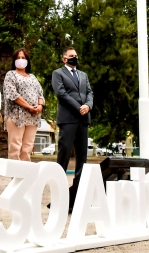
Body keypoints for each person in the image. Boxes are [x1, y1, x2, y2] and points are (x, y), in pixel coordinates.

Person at [52, 46, 93, 205]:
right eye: (71, 55)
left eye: (76, 55)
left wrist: (88, 106)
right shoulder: (58, 73)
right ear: (64, 59)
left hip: (84, 119)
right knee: (65, 153)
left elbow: (90, 93)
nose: (74, 57)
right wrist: (78, 107)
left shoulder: (83, 75)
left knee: (82, 155)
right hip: (68, 118)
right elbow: (61, 93)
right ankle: (58, 189)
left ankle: (78, 191)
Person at [3, 48, 45, 161]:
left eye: (23, 58)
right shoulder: (11, 75)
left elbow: (40, 94)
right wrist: (29, 107)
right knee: (15, 148)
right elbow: (13, 94)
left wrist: (40, 106)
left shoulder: (33, 77)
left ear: (27, 60)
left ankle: (26, 176)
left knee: (27, 149)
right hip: (16, 115)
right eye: (18, 58)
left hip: (33, 117)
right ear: (14, 60)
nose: (21, 60)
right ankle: (15, 177)